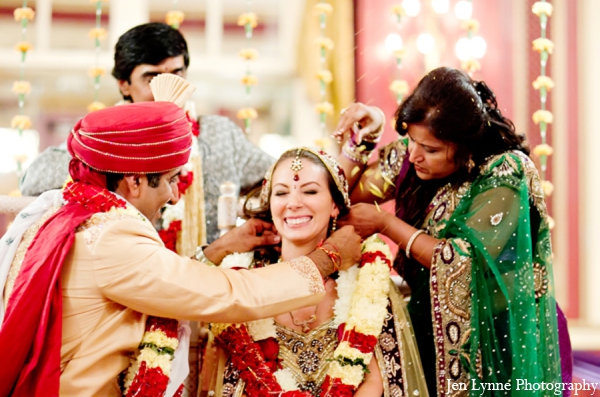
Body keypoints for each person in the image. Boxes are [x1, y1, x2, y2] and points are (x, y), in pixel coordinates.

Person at [0, 102, 361, 396]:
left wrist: (218, 248)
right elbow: (229, 293)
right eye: (172, 179)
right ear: (135, 180)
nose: (175, 195)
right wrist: (326, 259)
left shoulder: (64, 215)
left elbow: (162, 279)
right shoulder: (111, 236)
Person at [332, 67, 563, 396]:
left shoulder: (504, 173)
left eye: (431, 149)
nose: (414, 155)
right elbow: (339, 196)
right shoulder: (412, 159)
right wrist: (364, 138)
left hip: (499, 346)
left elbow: (465, 261)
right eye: (411, 140)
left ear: (465, 145)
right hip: (426, 332)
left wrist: (386, 224)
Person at [201, 148, 428, 397]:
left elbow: (375, 380)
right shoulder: (244, 278)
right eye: (281, 193)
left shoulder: (365, 277)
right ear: (270, 204)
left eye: (310, 191)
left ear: (335, 205)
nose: (294, 203)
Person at [19, 22, 274, 244]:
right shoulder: (102, 138)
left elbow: (275, 178)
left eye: (177, 74)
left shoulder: (219, 134)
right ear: (124, 85)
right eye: (151, 78)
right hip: (130, 275)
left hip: (209, 279)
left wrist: (244, 208)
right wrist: (122, 144)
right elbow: (32, 180)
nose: (168, 87)